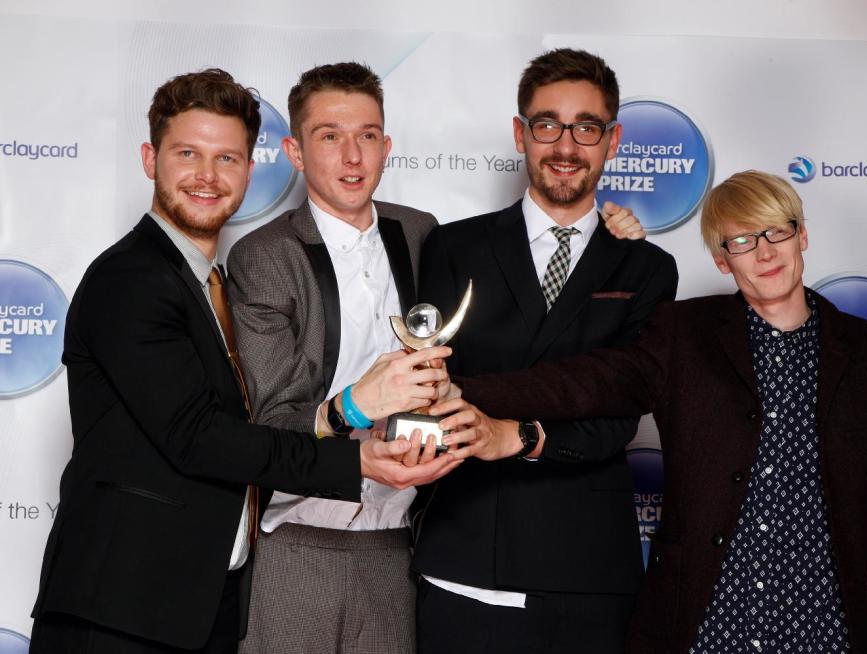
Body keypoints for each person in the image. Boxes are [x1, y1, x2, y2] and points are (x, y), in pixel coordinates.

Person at [28, 68, 457, 654]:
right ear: (150, 160)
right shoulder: (132, 280)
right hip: (122, 609)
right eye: (188, 154)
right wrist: (356, 447)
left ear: (250, 171)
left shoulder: (202, 283)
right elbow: (199, 438)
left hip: (199, 596)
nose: (208, 177)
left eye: (227, 159)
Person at [226, 60, 648, 654]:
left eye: (367, 136)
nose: (352, 156)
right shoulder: (265, 256)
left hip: (401, 541)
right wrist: (352, 407)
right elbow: (267, 427)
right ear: (295, 152)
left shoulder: (422, 234)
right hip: (302, 537)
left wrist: (610, 235)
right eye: (330, 137)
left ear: (387, 145)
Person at [441, 170, 867, 654]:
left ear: (801, 235)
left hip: (824, 630)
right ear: (723, 261)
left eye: (775, 231)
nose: (763, 252)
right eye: (740, 241)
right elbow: (588, 383)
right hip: (702, 628)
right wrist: (462, 390)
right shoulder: (684, 334)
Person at [411, 48, 678, 654]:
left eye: (586, 127)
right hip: (468, 549)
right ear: (520, 134)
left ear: (612, 140)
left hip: (585, 566)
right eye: (546, 124)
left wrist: (521, 435)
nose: (565, 145)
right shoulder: (453, 247)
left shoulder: (647, 267)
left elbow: (622, 410)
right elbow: (429, 388)